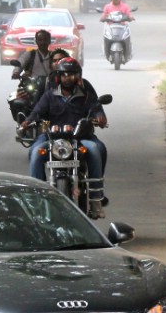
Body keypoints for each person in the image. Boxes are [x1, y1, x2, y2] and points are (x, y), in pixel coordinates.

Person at [19, 56, 109, 218]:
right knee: (35, 152)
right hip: (52, 137)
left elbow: (96, 107)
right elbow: (37, 111)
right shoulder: (50, 94)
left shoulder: (86, 93)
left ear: (78, 76)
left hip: (80, 137)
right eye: (64, 74)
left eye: (71, 74)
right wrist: (27, 122)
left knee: (96, 149)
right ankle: (36, 199)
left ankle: (96, 199)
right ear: (58, 76)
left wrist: (100, 116)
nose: (67, 78)